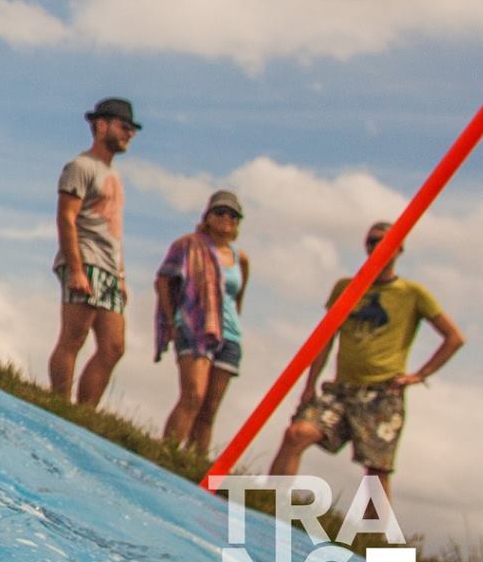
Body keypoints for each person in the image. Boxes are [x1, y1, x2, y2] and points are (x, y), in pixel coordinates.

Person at [270, 222, 464, 529]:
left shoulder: (412, 294)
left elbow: (453, 337)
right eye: (372, 241)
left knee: (376, 470)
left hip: (382, 394)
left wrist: (419, 375)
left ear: (399, 249)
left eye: (385, 242)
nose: (377, 247)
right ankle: (269, 506)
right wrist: (309, 386)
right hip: (341, 390)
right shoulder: (346, 288)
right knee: (297, 434)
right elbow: (324, 340)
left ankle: (372, 541)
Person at [48, 97, 139, 408]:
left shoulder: (114, 176)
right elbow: (66, 216)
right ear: (101, 126)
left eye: (132, 129)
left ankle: (85, 412)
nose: (130, 134)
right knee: (74, 337)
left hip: (110, 267)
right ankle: (59, 404)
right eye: (124, 127)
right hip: (84, 259)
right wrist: (75, 268)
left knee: (114, 346)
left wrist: (122, 275)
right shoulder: (80, 166)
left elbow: (114, 231)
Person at [155, 189, 251, 453]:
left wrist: (234, 324)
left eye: (233, 215)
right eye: (220, 212)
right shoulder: (187, 245)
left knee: (209, 409)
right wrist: (171, 319)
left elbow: (237, 296)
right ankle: (166, 453)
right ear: (207, 216)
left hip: (229, 334)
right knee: (193, 395)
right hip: (194, 326)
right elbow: (163, 280)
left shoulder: (240, 258)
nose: (226, 218)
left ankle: (194, 464)